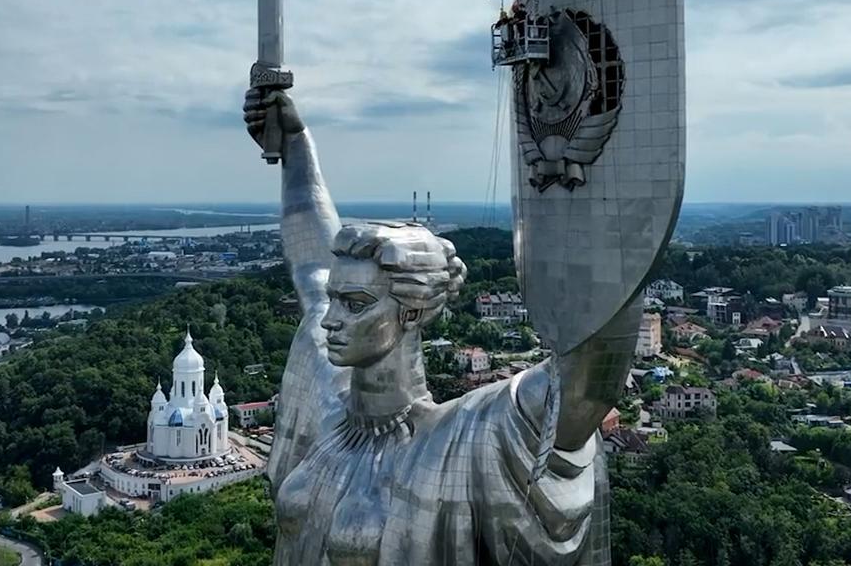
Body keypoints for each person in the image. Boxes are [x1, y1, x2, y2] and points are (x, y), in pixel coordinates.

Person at [242, 89, 620, 565]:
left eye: (355, 304)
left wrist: (589, 166)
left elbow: (590, 373)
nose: (331, 320)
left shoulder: (462, 441)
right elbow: (310, 261)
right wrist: (295, 142)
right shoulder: (329, 407)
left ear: (412, 312)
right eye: (336, 300)